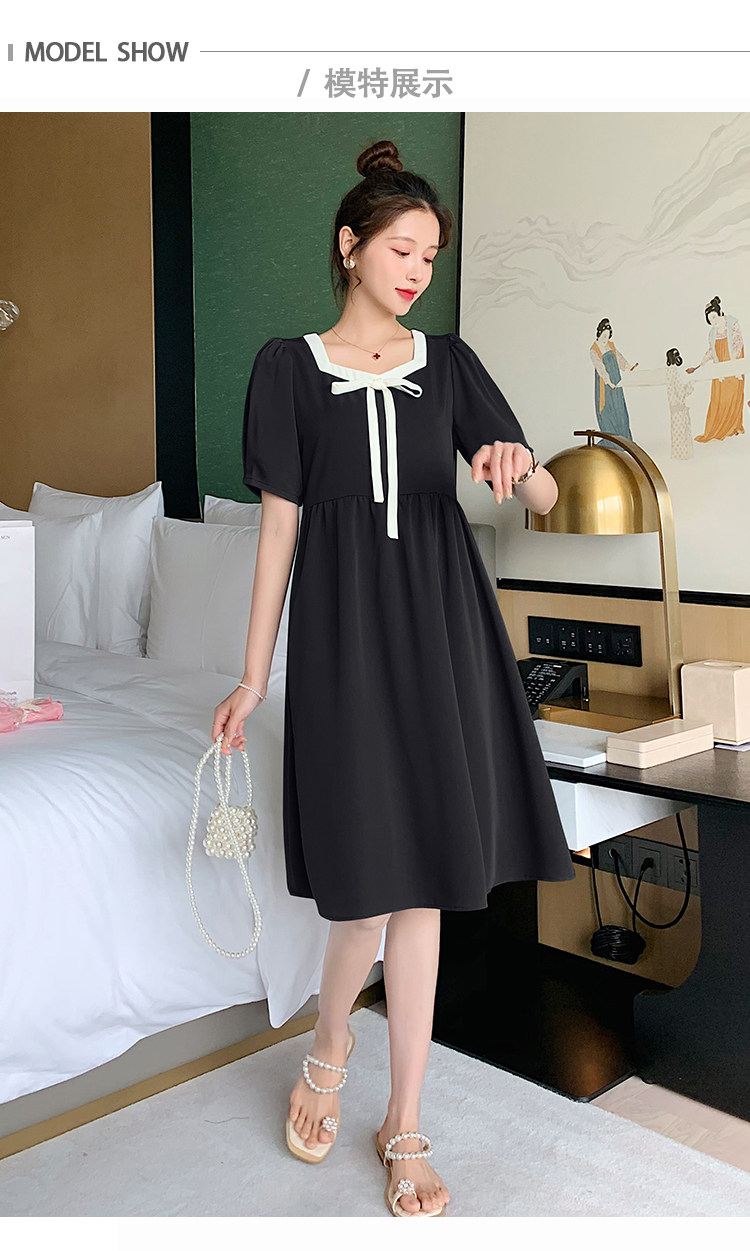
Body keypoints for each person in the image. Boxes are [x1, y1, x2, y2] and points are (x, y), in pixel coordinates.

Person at [212, 138, 575, 1218]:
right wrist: (251, 676)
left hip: (445, 635)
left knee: (426, 882)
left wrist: (520, 464)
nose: (418, 270)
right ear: (350, 245)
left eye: (430, 255)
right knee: (366, 880)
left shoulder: (449, 365)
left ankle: (403, 1118)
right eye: (402, 248)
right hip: (343, 642)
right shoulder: (287, 368)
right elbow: (279, 534)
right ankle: (330, 1046)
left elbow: (542, 495)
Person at [686, 296, 745, 441]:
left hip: (734, 364)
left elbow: (738, 342)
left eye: (713, 317)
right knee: (719, 398)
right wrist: (699, 365)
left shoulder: (732, 323)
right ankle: (718, 428)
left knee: (734, 395)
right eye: (710, 320)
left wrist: (733, 362)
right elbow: (711, 351)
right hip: (720, 369)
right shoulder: (712, 333)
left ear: (718, 312)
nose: (713, 321)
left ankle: (733, 426)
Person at [590, 318, 639, 448]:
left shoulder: (610, 345)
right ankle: (612, 442)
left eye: (608, 336)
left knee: (619, 408)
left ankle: (624, 439)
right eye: (604, 335)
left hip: (616, 381)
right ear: (599, 333)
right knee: (608, 409)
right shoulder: (594, 349)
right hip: (605, 384)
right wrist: (608, 381)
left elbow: (619, 357)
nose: (605, 339)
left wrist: (629, 366)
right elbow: (600, 367)